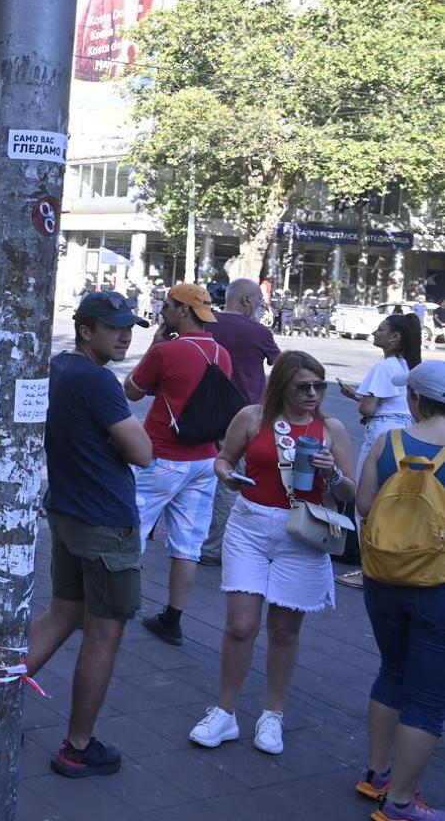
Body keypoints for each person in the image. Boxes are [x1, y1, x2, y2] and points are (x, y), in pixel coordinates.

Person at [187, 352, 356, 757]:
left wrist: (331, 472)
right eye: (303, 386)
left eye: (319, 385)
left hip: (304, 533)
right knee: (240, 625)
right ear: (281, 385)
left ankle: (272, 713)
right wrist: (228, 476)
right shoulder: (252, 417)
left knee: (283, 630)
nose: (313, 394)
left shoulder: (331, 429)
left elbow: (350, 493)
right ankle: (225, 712)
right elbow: (224, 460)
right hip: (250, 526)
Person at [26, 291, 153, 778]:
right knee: (104, 632)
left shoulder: (60, 367)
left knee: (63, 612)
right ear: (86, 330)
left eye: (129, 328)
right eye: (115, 327)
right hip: (105, 520)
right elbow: (142, 453)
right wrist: (121, 441)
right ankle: (78, 746)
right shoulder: (98, 380)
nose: (125, 337)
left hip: (67, 510)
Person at [353, 361, 445, 821]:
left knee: (392, 670)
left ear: (414, 399)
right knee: (428, 697)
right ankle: (402, 803)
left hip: (383, 577)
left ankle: (376, 775)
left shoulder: (388, 442)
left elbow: (364, 506)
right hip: (437, 587)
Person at [124, 281, 233, 646]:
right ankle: (173, 619)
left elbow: (132, 391)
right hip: (204, 460)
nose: (163, 311)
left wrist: (155, 344)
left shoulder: (166, 351)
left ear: (183, 310)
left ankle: (115, 606)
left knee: (130, 531)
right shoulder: (221, 354)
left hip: (160, 458)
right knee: (188, 544)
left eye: (168, 306)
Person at [338, 313, 424, 589]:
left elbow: (369, 408)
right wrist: (357, 396)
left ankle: (368, 568)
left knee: (366, 502)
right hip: (403, 432)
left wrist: (360, 400)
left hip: (380, 434)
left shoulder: (384, 366)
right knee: (392, 500)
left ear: (395, 337)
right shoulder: (407, 365)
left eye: (380, 329)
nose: (375, 333)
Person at [200, 279, 282, 566]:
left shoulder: (206, 323)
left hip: (202, 412)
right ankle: (213, 548)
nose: (261, 306)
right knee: (230, 481)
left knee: (200, 476)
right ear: (246, 300)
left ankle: (192, 539)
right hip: (243, 415)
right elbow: (282, 367)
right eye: (259, 300)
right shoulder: (259, 332)